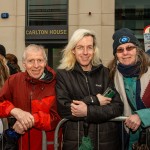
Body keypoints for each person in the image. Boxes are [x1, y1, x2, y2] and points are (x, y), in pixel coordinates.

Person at [56, 28, 123, 150]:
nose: (85, 52)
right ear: (73, 50)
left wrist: (87, 111)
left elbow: (117, 107)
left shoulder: (105, 72)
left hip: (106, 142)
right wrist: (94, 101)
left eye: (89, 47)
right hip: (76, 142)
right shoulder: (63, 75)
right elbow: (64, 108)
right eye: (80, 47)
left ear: (94, 50)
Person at [0, 44, 61, 150]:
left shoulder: (57, 83)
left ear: (45, 62)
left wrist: (30, 120)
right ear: (24, 64)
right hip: (20, 145)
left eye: (40, 60)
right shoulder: (14, 81)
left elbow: (58, 116)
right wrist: (14, 111)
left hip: (48, 145)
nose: (36, 65)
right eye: (31, 61)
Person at [108, 28, 150, 150]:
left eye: (129, 48)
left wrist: (142, 116)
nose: (125, 53)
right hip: (125, 139)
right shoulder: (111, 76)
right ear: (116, 55)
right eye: (120, 50)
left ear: (137, 49)